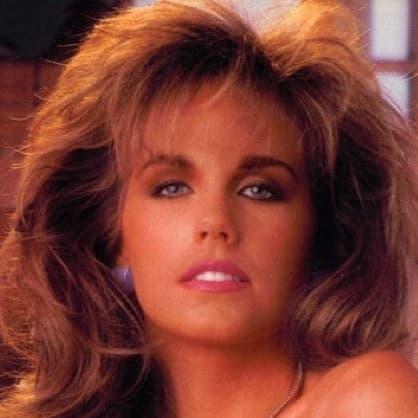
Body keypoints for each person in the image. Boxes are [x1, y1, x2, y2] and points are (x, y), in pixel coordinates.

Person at [1, 0, 418, 417]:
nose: (216, 222)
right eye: (171, 188)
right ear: (108, 228)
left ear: (320, 228)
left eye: (260, 190)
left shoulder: (365, 400)